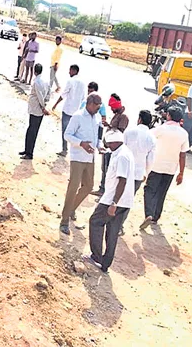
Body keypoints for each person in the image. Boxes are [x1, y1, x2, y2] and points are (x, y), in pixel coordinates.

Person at [87, 129, 135, 273]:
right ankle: (105, 263)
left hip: (114, 200)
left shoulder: (122, 157)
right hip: (125, 201)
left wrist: (113, 203)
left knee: (95, 221)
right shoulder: (124, 152)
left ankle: (96, 257)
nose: (107, 145)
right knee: (112, 232)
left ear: (114, 142)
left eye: (108, 142)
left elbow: (122, 181)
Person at [59, 93, 103, 235]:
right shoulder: (78, 116)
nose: (98, 109)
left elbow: (98, 135)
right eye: (97, 106)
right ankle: (64, 221)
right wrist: (81, 144)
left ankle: (72, 208)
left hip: (90, 157)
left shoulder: (96, 118)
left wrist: (99, 145)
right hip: (78, 156)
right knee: (73, 186)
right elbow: (67, 135)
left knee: (89, 186)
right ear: (90, 104)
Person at [140, 106, 189, 230]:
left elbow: (147, 137)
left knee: (150, 189)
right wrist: (181, 173)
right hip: (171, 168)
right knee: (162, 192)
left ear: (168, 116)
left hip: (156, 165)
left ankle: (149, 214)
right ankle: (156, 217)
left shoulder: (161, 129)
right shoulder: (184, 133)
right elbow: (182, 155)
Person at [122, 110, 156, 235]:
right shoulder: (151, 137)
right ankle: (119, 225)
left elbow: (121, 149)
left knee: (117, 194)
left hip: (123, 169)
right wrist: (146, 173)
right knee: (128, 199)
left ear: (139, 119)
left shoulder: (129, 131)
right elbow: (150, 160)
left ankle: (110, 220)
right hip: (138, 174)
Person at [92, 93, 129, 196]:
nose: (111, 109)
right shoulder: (117, 115)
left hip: (113, 149)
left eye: (112, 107)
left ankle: (106, 191)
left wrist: (110, 126)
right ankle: (102, 189)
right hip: (108, 147)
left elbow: (120, 132)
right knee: (104, 169)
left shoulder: (123, 117)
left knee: (109, 171)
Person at [52, 64, 87, 157]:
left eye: (70, 70)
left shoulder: (70, 81)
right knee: (75, 132)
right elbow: (83, 98)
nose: (69, 72)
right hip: (77, 112)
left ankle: (64, 149)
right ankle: (74, 151)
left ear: (74, 71)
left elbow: (63, 95)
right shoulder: (83, 83)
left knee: (65, 131)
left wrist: (55, 104)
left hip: (68, 110)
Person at [20, 64, 50, 160]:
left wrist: (43, 107)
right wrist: (46, 103)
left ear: (34, 71)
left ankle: (29, 153)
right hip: (38, 109)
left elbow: (40, 96)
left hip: (36, 109)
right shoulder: (45, 81)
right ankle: (27, 149)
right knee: (31, 130)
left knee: (32, 131)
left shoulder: (37, 82)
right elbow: (48, 94)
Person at [184, 82, 192, 148]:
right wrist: (190, 111)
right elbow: (189, 99)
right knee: (186, 131)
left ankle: (187, 146)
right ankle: (183, 146)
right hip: (191, 113)